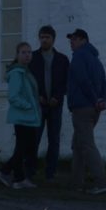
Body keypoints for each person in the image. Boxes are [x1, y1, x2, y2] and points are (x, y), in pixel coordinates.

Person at [65, 27, 106, 194]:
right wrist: (101, 100)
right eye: (71, 39)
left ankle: (102, 183)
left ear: (83, 40)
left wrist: (94, 99)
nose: (71, 42)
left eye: (75, 39)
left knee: (86, 145)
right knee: (78, 145)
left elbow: (83, 81)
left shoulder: (79, 57)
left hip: (82, 107)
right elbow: (105, 84)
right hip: (94, 108)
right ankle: (76, 183)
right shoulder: (96, 60)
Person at [0, 42, 44, 188]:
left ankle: (9, 173)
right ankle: (16, 178)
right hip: (22, 116)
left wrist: (35, 102)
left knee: (24, 148)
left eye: (29, 52)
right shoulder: (17, 73)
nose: (27, 55)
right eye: (23, 52)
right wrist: (29, 106)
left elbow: (29, 93)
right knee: (22, 148)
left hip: (28, 117)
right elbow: (13, 97)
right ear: (17, 55)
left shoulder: (25, 71)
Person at [32, 26, 70, 183]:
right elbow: (30, 81)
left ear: (53, 39)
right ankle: (30, 171)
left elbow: (66, 81)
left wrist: (57, 97)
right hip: (39, 105)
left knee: (54, 139)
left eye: (47, 37)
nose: (44, 40)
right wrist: (38, 95)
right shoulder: (33, 58)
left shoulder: (62, 59)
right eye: (42, 37)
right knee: (34, 138)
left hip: (55, 105)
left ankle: (50, 172)